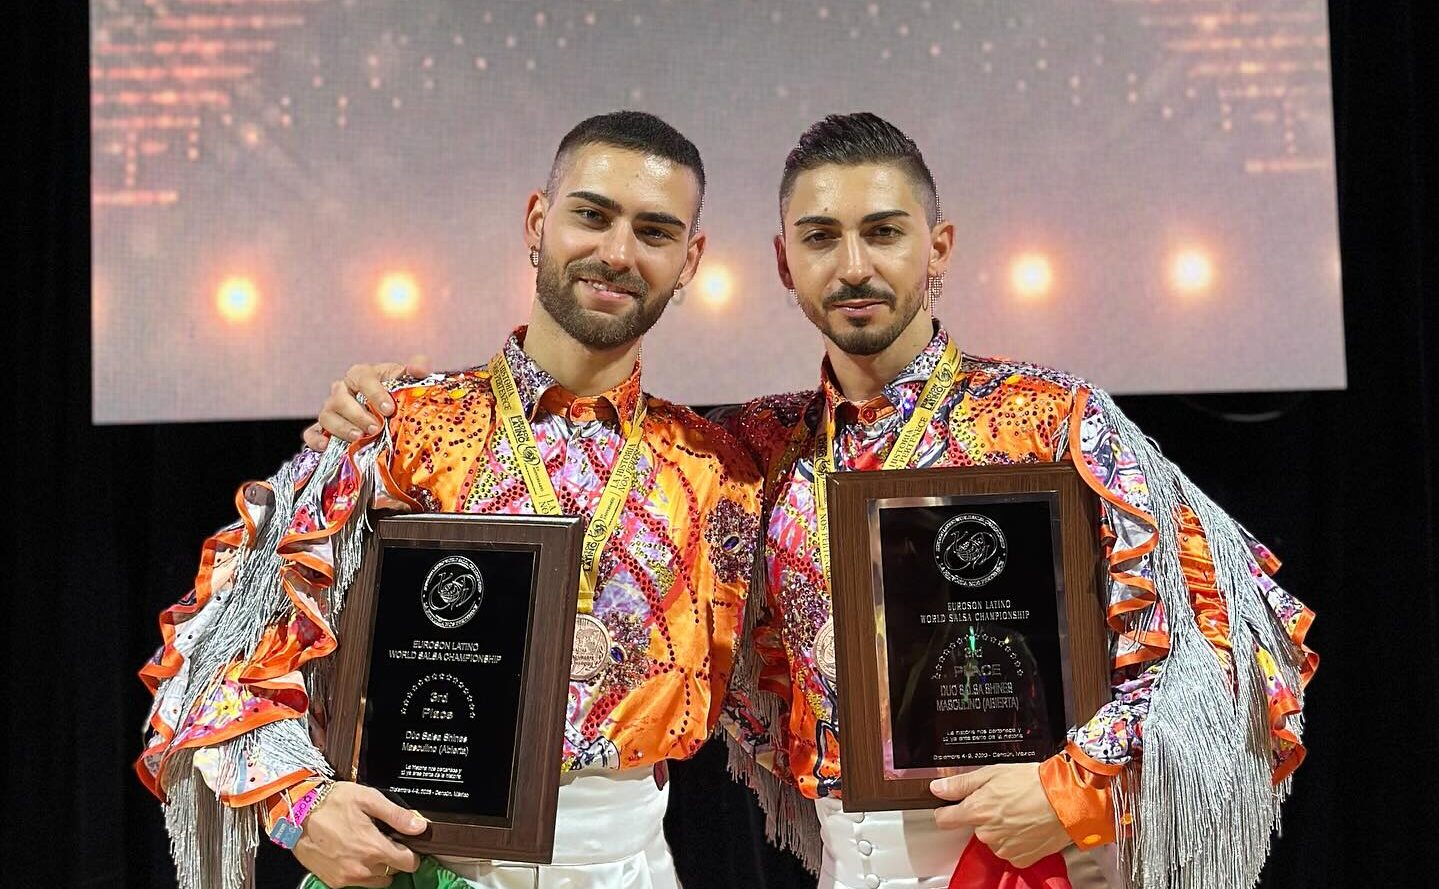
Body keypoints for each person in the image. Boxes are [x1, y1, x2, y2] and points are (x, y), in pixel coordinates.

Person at [314, 114, 1316, 889]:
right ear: (782, 262)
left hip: (1029, 856)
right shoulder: (748, 451)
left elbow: (1237, 634)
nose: (853, 265)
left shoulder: (1049, 419)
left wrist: (1072, 790)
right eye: (820, 236)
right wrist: (364, 410)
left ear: (940, 246)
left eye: (882, 233)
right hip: (843, 856)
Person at [137, 111, 762, 889]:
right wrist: (300, 808)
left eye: (655, 231)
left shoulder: (718, 469)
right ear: (538, 222)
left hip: (629, 863)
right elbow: (214, 648)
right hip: (418, 857)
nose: (617, 252)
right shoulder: (400, 429)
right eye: (592, 216)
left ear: (690, 259)